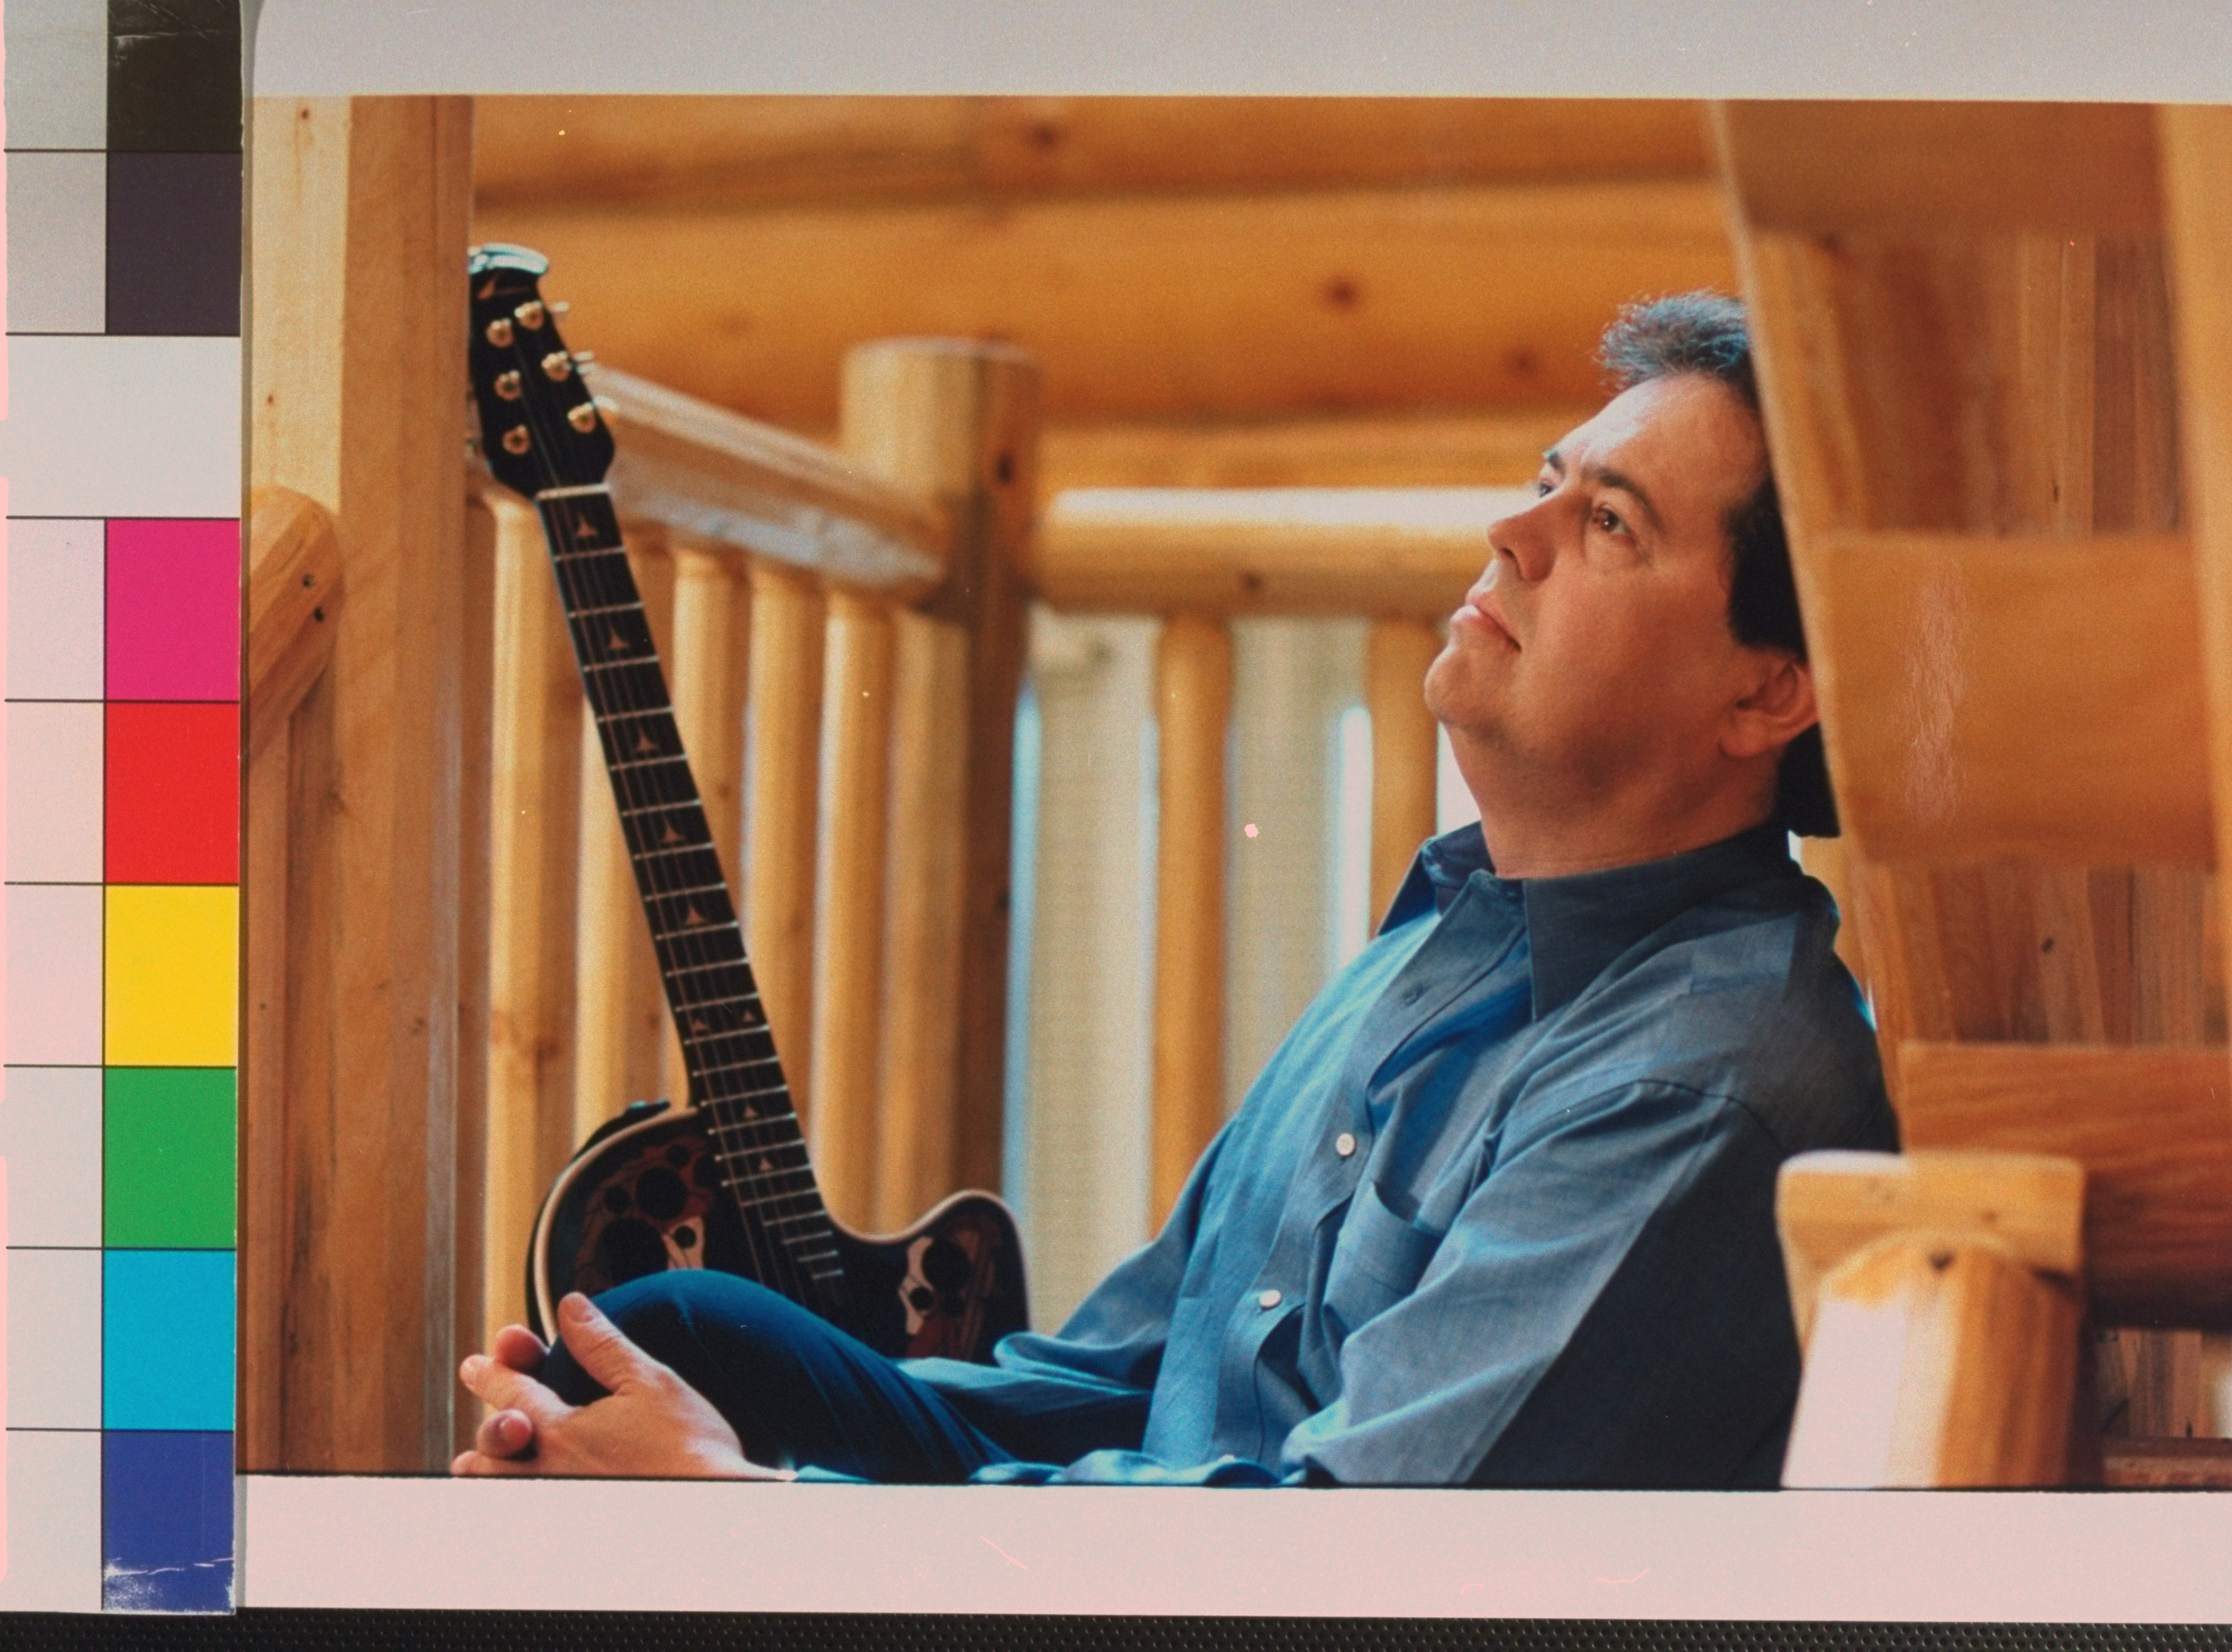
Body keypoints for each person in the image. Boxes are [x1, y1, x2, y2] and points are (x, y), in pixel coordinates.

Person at [452, 292, 1897, 1489]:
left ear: (1772, 689)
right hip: (1179, 1539)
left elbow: (1339, 1561)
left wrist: (760, 1513)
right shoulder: (1443, 937)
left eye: (1613, 525)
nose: (1512, 538)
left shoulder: (1706, 1078)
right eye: (1544, 484)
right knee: (661, 1332)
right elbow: (1129, 1382)